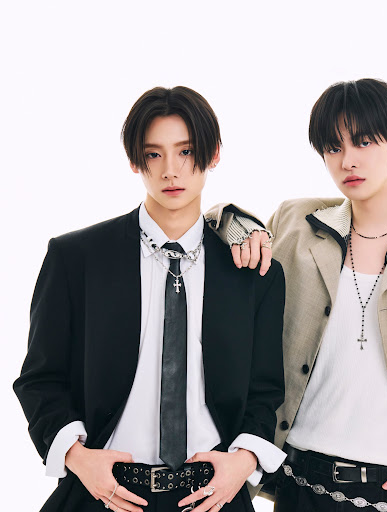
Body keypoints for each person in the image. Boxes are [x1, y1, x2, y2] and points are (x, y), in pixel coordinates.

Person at [205, 78, 387, 512]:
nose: (348, 160)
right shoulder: (296, 223)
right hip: (300, 484)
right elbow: (215, 223)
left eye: (364, 142)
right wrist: (240, 227)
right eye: (333, 147)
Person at [13, 86, 286, 512]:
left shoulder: (253, 271)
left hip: (212, 495)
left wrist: (245, 460)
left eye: (186, 151)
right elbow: (40, 379)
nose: (170, 171)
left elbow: (265, 391)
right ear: (134, 161)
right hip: (103, 492)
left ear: (214, 153)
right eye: (153, 154)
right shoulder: (76, 258)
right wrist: (78, 458)